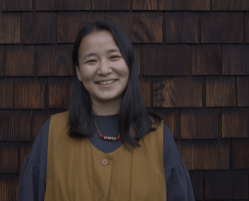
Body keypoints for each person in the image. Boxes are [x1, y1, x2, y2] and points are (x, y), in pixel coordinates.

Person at [18, 19, 195, 201]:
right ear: (78, 71)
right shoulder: (52, 134)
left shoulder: (159, 137)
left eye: (114, 57)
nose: (104, 69)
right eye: (91, 60)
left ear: (129, 64)